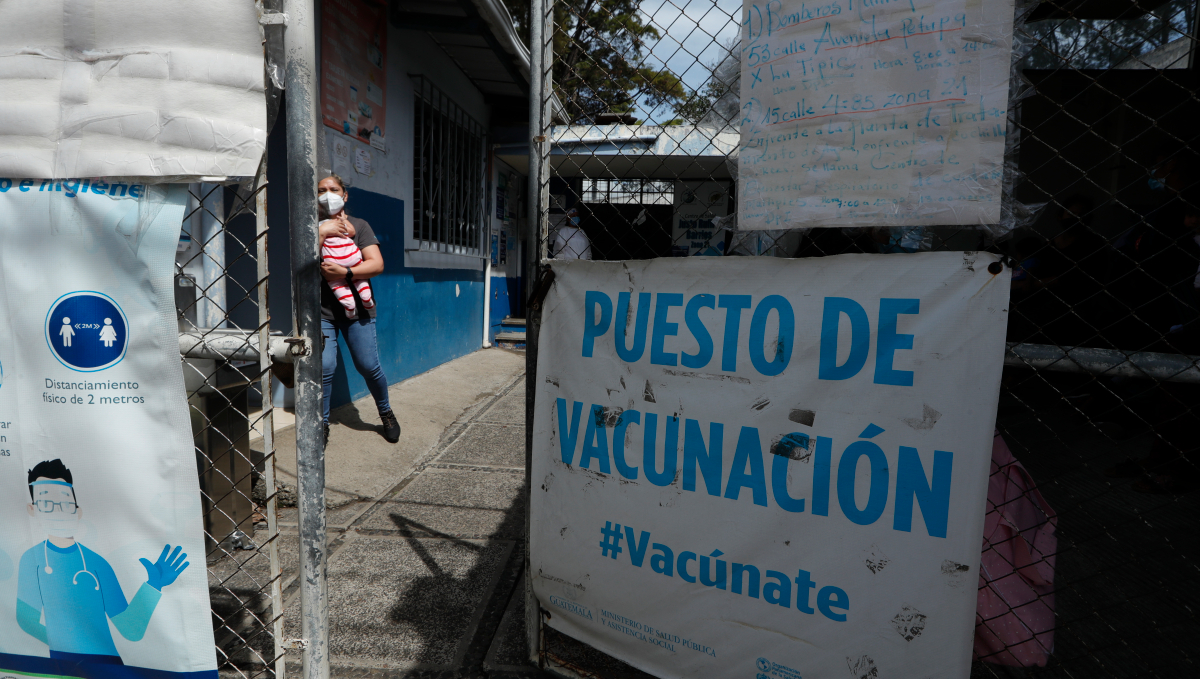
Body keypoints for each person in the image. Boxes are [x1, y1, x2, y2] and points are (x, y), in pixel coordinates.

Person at [16, 459, 189, 663]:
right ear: (32, 509)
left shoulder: (97, 563)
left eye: (65, 503)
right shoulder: (32, 560)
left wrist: (153, 585)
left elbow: (130, 629)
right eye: (46, 504)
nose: (57, 511)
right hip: (63, 665)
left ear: (77, 511)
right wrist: (69, 647)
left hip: (107, 666)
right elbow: (26, 619)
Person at [317, 174, 401, 445]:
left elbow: (376, 264)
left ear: (345, 195)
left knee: (368, 365)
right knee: (325, 366)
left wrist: (346, 271)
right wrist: (321, 232)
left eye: (333, 189)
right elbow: (301, 265)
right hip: (321, 311)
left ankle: (385, 412)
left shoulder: (360, 226)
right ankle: (322, 423)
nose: (327, 194)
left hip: (359, 312)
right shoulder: (309, 227)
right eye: (321, 190)